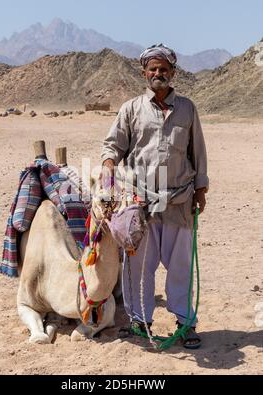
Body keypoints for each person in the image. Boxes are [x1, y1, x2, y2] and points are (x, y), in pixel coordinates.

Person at [101, 44, 209, 349]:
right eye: (152, 69)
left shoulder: (187, 109)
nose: (158, 74)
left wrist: (201, 190)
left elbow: (197, 152)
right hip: (140, 204)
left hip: (179, 201)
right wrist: (109, 167)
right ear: (144, 73)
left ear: (173, 73)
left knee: (181, 267)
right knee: (139, 267)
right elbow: (112, 146)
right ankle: (140, 320)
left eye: (163, 69)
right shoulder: (131, 109)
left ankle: (185, 323)